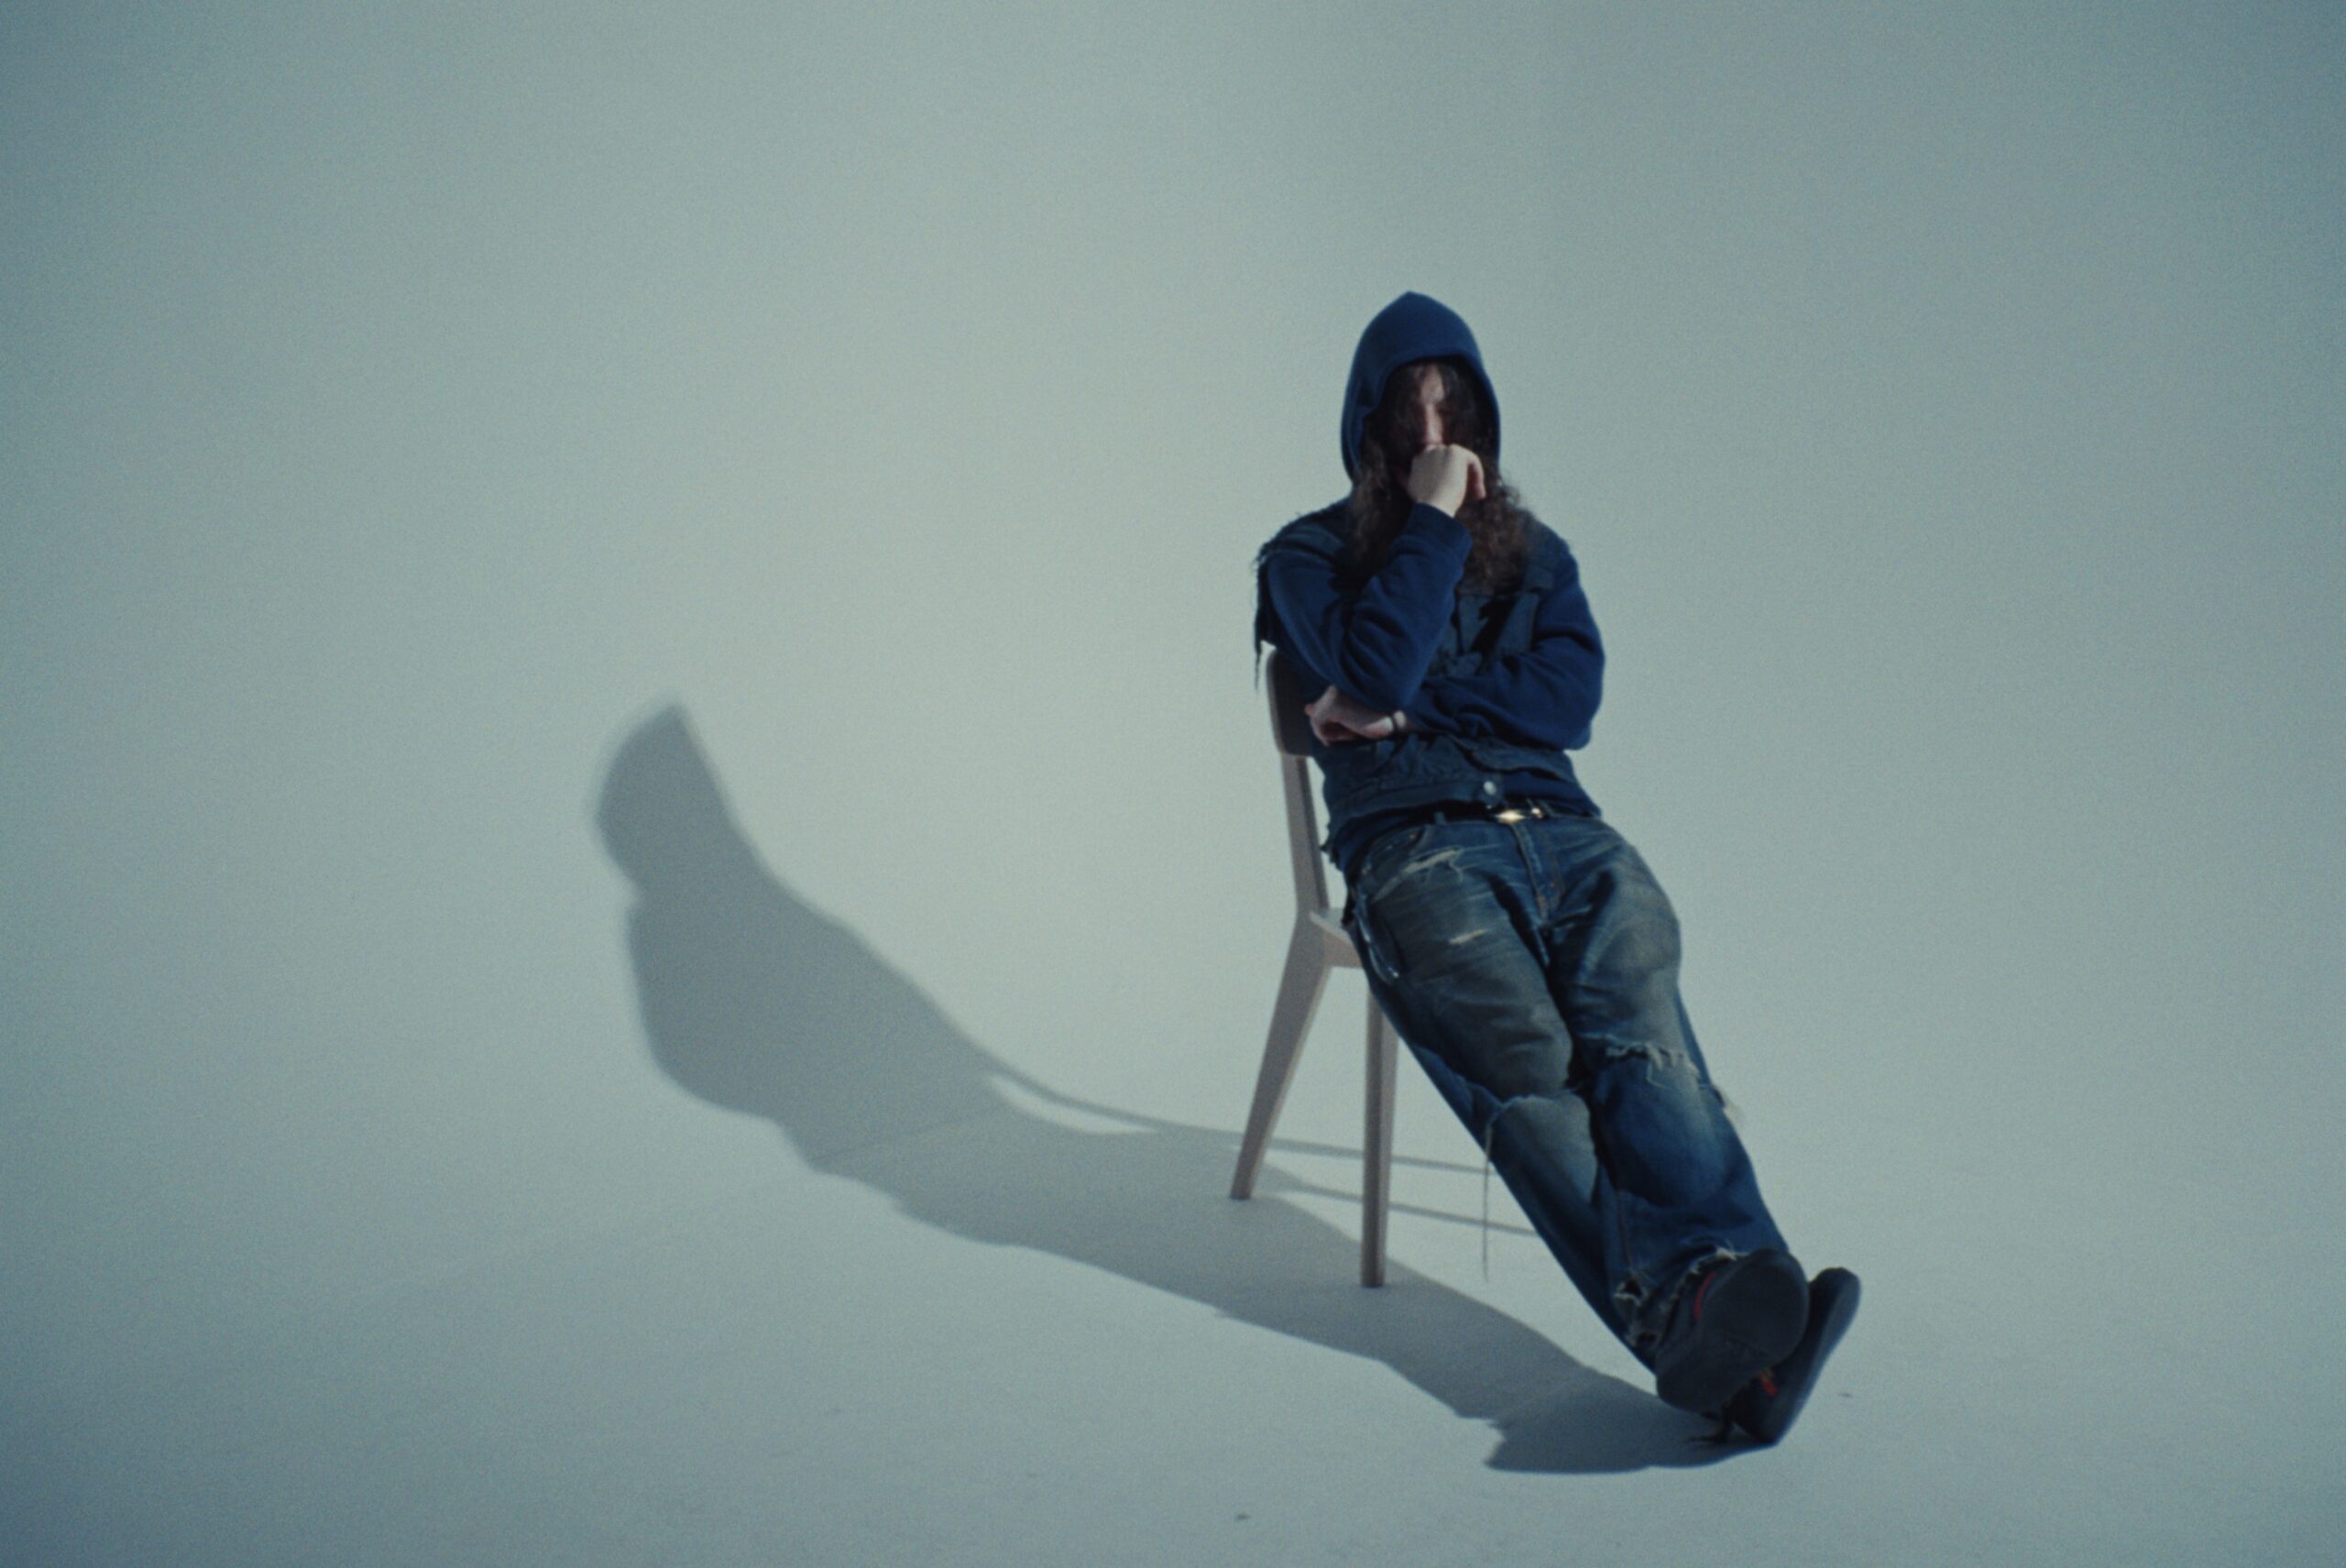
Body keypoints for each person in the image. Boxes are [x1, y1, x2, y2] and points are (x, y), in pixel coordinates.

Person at [1251, 291, 1858, 1442]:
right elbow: (1368, 665)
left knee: (1640, 1039)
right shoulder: (1305, 557)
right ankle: (1738, 1332)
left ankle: (1731, 1325)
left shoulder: (1537, 557)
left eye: (1457, 409)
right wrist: (1428, 529)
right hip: (1415, 847)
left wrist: (1400, 709)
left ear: (1486, 419)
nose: (1437, 438)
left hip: (1567, 834)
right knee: (1533, 1070)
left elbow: (1564, 706)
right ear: (1366, 427)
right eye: (1408, 413)